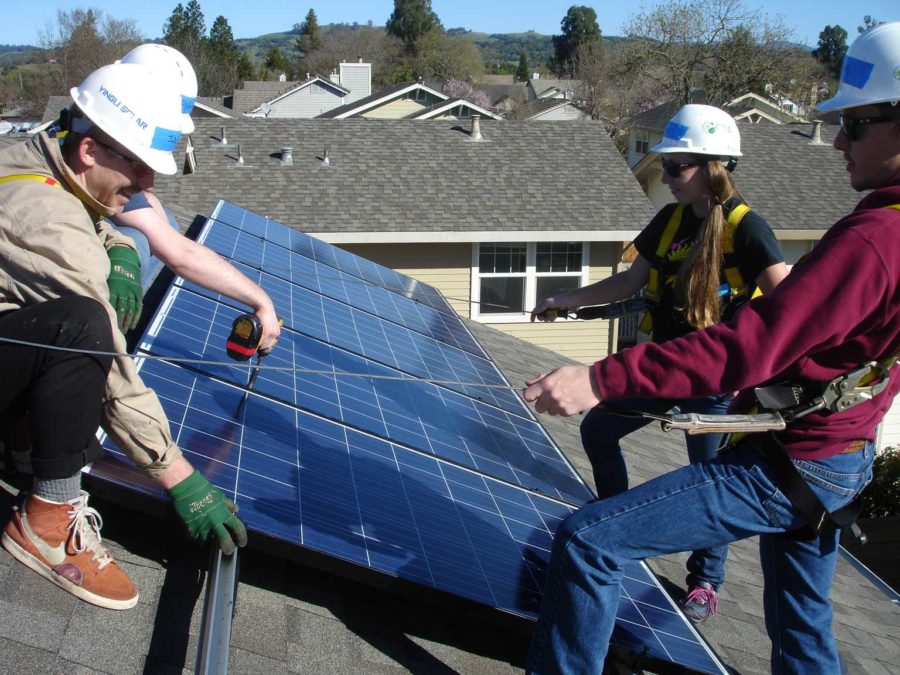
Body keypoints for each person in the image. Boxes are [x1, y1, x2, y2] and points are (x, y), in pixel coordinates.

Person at [522, 21, 900, 673]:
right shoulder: (884, 230)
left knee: (590, 540)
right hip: (833, 452)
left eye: (856, 123)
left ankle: (704, 579)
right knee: (803, 632)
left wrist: (601, 378)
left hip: (790, 451)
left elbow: (758, 340)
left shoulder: (868, 239)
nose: (838, 139)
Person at [0, 60, 247, 610]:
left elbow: (83, 213)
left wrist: (118, 252)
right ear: (91, 151)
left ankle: (20, 439)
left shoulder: (39, 153)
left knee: (69, 355)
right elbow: (108, 361)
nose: (147, 187)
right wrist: (178, 476)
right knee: (81, 326)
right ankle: (46, 519)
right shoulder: (45, 223)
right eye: (138, 167)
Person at [531, 103, 788, 621]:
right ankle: (610, 522)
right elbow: (628, 282)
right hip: (666, 365)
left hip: (715, 379)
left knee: (710, 479)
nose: (666, 176)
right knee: (599, 431)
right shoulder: (670, 220)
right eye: (665, 164)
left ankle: (706, 582)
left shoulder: (747, 230)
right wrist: (567, 299)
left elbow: (789, 307)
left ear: (714, 168)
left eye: (677, 167)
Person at [104, 43, 281, 347]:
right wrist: (261, 300)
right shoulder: (98, 164)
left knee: (165, 219)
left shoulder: (89, 141)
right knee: (141, 238)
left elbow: (163, 224)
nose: (147, 175)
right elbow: (179, 254)